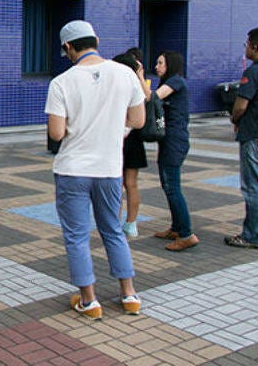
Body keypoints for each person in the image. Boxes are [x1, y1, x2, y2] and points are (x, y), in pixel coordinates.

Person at [45, 20, 145, 319]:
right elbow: (138, 120)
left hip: (73, 169)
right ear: (96, 40)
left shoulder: (61, 82)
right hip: (110, 169)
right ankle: (129, 294)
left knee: (76, 236)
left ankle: (89, 301)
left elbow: (57, 133)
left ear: (68, 48)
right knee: (113, 230)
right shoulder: (125, 74)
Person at [152, 50, 199, 251]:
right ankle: (177, 228)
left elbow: (153, 98)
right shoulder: (168, 82)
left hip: (175, 141)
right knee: (167, 184)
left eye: (160, 62)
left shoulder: (176, 82)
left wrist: (137, 76)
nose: (156, 66)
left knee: (172, 187)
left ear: (170, 64)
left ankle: (187, 234)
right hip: (168, 141)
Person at [112, 50, 150, 238]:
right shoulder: (137, 88)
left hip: (117, 140)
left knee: (116, 184)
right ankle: (131, 223)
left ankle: (115, 223)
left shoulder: (114, 88)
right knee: (131, 184)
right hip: (134, 140)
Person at [226, 28, 258, 248]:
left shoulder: (253, 72)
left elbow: (240, 106)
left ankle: (251, 235)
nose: (245, 48)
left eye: (247, 44)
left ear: (255, 46)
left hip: (253, 134)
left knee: (252, 186)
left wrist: (235, 119)